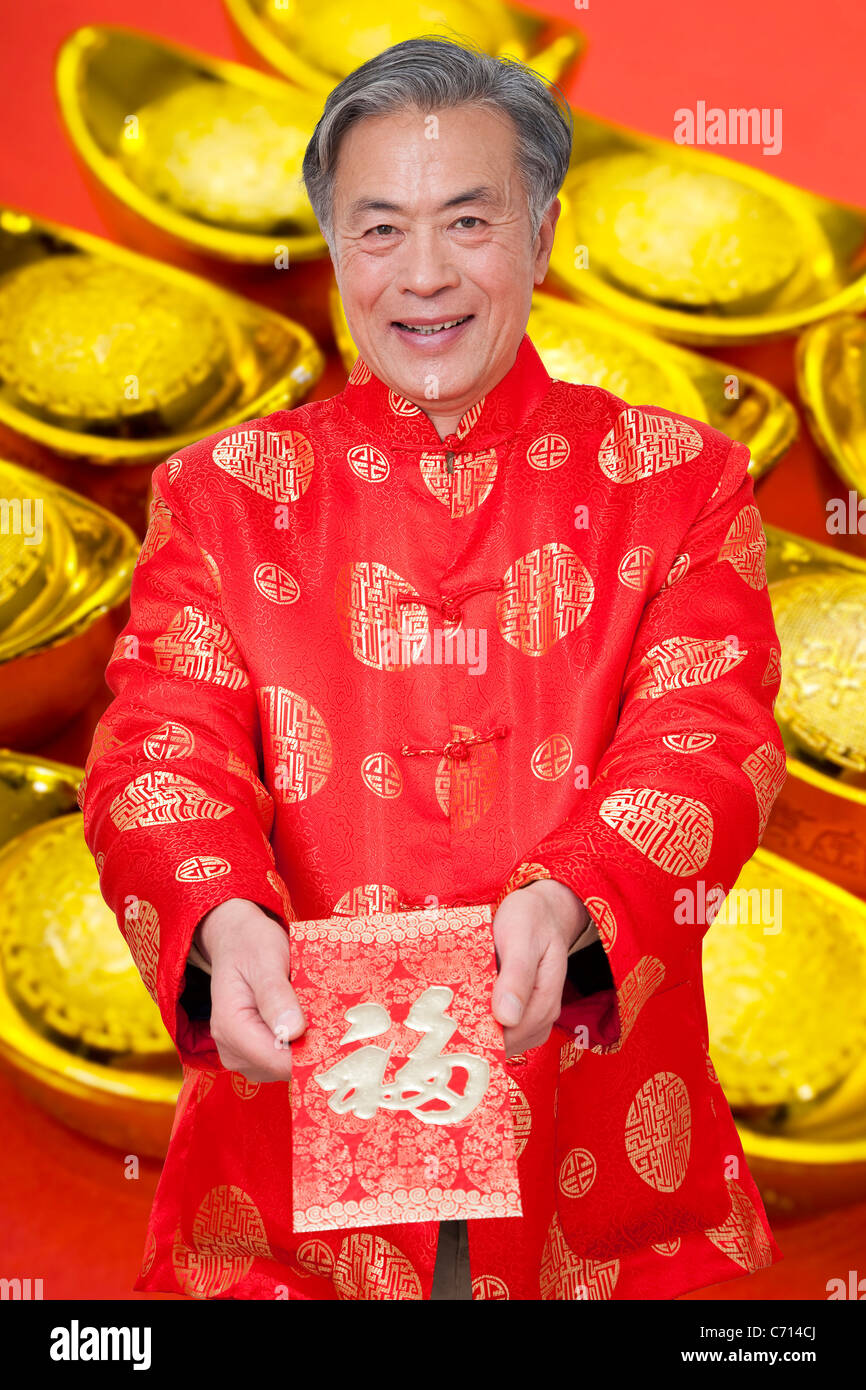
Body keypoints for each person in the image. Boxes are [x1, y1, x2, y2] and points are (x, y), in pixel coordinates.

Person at [80, 34, 788, 1300]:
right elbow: (158, 750)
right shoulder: (225, 494)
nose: (421, 277)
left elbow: (708, 737)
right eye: (378, 229)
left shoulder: (676, 481)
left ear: (543, 227)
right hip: (297, 1146)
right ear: (332, 245)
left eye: (467, 222)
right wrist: (216, 913)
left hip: (593, 1139)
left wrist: (574, 898)